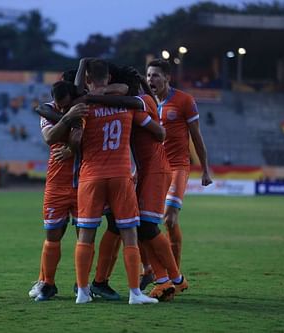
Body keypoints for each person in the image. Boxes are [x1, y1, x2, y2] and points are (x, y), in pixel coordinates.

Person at [72, 59, 158, 305]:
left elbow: (78, 101)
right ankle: (135, 293)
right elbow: (150, 116)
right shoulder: (128, 103)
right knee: (129, 233)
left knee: (85, 236)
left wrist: (89, 92)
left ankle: (82, 292)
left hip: (90, 176)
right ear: (109, 78)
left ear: (88, 79)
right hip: (120, 175)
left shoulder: (83, 105)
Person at [147, 59, 213, 294]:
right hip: (153, 169)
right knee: (144, 221)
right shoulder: (146, 102)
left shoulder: (185, 101)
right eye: (148, 75)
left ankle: (174, 276)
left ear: (167, 78)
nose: (150, 80)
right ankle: (153, 270)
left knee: (169, 219)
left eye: (155, 75)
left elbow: (196, 137)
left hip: (177, 167)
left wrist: (205, 168)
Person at [30, 80, 88, 301]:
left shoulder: (83, 109)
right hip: (56, 184)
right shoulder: (49, 109)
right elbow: (49, 137)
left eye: (65, 105)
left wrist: (72, 148)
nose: (61, 108)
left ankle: (81, 284)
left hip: (84, 182)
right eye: (59, 105)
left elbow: (78, 138)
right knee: (52, 235)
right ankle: (48, 283)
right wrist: (67, 116)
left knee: (84, 236)